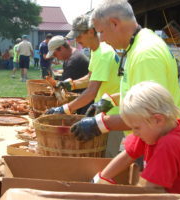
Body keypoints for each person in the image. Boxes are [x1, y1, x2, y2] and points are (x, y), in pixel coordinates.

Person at [71, 0, 180, 143]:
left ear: (114, 23)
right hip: (149, 139)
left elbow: (149, 115)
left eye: (101, 32)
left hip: (162, 143)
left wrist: (99, 124)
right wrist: (111, 100)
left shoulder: (145, 55)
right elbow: (140, 91)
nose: (102, 40)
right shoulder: (140, 41)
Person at [93, 81, 180, 195]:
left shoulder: (169, 144)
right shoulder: (155, 133)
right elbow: (127, 155)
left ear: (158, 120)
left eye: (137, 128)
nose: (134, 133)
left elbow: (151, 189)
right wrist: (101, 179)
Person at [46, 14, 123, 157]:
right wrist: (71, 85)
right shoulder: (96, 50)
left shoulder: (103, 54)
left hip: (114, 112)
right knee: (99, 154)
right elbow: (90, 77)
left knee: (107, 156)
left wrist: (64, 109)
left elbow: (91, 92)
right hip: (105, 110)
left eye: (79, 36)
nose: (77, 40)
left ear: (91, 32)